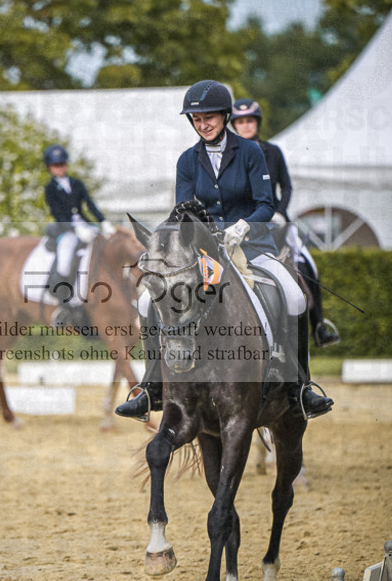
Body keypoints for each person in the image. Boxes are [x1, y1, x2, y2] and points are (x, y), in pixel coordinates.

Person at [116, 80, 333, 421]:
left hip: (252, 244)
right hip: (205, 253)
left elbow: (266, 204)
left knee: (294, 296)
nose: (203, 124)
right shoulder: (187, 160)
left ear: (225, 116)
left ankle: (300, 387)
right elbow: (183, 213)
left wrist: (243, 226)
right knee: (146, 301)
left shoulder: (250, 153)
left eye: (209, 117)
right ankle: (152, 387)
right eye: (196, 119)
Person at [230, 99, 341, 349]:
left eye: (249, 121)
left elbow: (286, 186)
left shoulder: (273, 152)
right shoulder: (231, 156)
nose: (245, 126)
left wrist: (279, 213)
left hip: (276, 222)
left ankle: (319, 325)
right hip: (243, 225)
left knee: (308, 264)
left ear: (257, 123)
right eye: (241, 122)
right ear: (235, 125)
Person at [43, 144, 114, 322]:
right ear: (50, 167)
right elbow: (57, 213)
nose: (60, 168)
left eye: (62, 164)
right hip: (66, 229)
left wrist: (103, 222)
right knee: (65, 262)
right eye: (56, 165)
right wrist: (75, 229)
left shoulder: (76, 183)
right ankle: (63, 304)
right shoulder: (50, 188)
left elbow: (89, 204)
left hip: (85, 225)